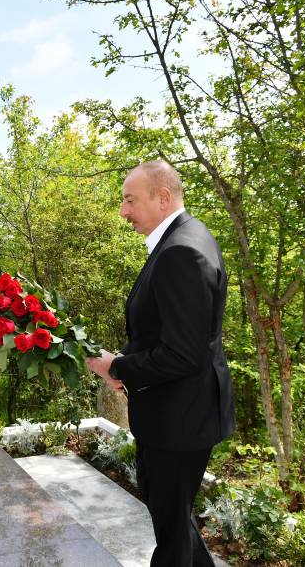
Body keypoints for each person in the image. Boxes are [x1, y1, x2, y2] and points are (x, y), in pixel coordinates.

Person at [87, 161, 235, 566]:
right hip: (179, 412)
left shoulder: (181, 252)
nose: (123, 210)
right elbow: (165, 333)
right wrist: (125, 363)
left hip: (180, 419)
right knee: (173, 520)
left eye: (130, 200)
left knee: (170, 537)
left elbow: (185, 354)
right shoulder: (188, 236)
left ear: (163, 197)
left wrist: (117, 368)